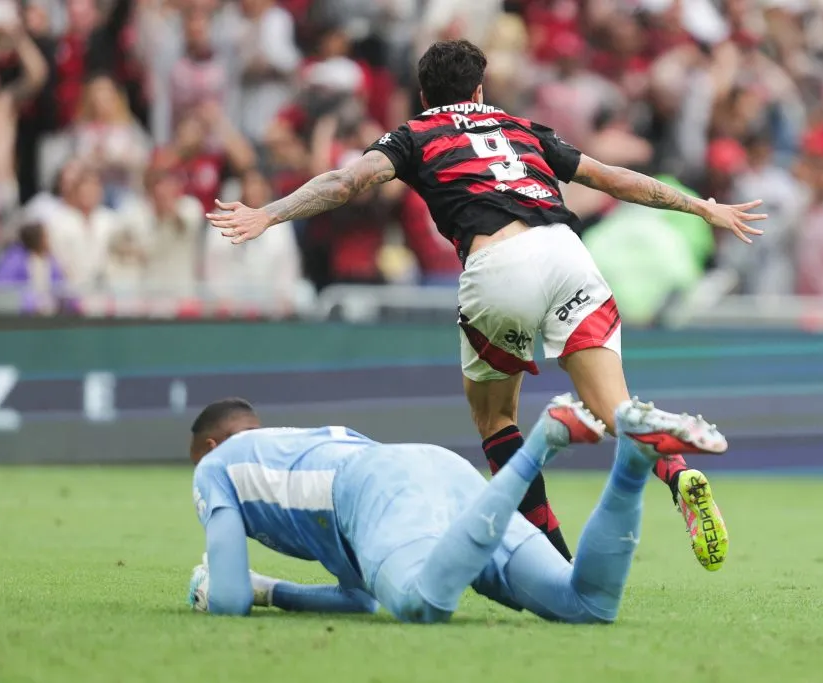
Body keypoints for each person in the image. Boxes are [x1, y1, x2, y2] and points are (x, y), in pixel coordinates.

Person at [206, 39, 767, 570]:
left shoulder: (414, 134)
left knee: (497, 421)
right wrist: (703, 208)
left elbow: (343, 182)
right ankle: (677, 472)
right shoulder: (520, 127)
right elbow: (612, 179)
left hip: (499, 266)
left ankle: (553, 559)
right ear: (479, 90)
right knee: (618, 411)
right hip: (570, 254)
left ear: (425, 96)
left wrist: (268, 214)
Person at [186, 393, 726, 622]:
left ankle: (542, 440)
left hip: (379, 491)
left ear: (208, 448)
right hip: (435, 473)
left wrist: (223, 589)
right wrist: (270, 590)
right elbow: (361, 601)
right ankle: (632, 461)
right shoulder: (297, 446)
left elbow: (228, 603)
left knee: (423, 603)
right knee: (585, 605)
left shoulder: (217, 467)